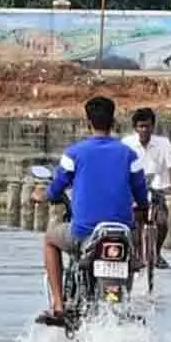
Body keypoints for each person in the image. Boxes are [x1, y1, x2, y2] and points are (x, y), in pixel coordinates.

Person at [35, 95, 148, 324]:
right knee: (134, 233)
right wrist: (142, 208)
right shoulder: (130, 155)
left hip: (84, 233)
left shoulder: (74, 154)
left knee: (49, 238)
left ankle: (58, 304)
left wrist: (41, 195)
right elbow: (141, 194)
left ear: (88, 122)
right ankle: (135, 262)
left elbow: (57, 187)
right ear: (113, 122)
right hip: (120, 233)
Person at [121, 107, 171, 269]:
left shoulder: (163, 143)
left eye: (147, 126)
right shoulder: (126, 144)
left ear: (153, 126)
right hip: (134, 188)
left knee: (162, 222)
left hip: (157, 188)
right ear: (135, 128)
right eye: (141, 126)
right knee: (135, 223)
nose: (144, 130)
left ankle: (157, 252)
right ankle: (136, 254)